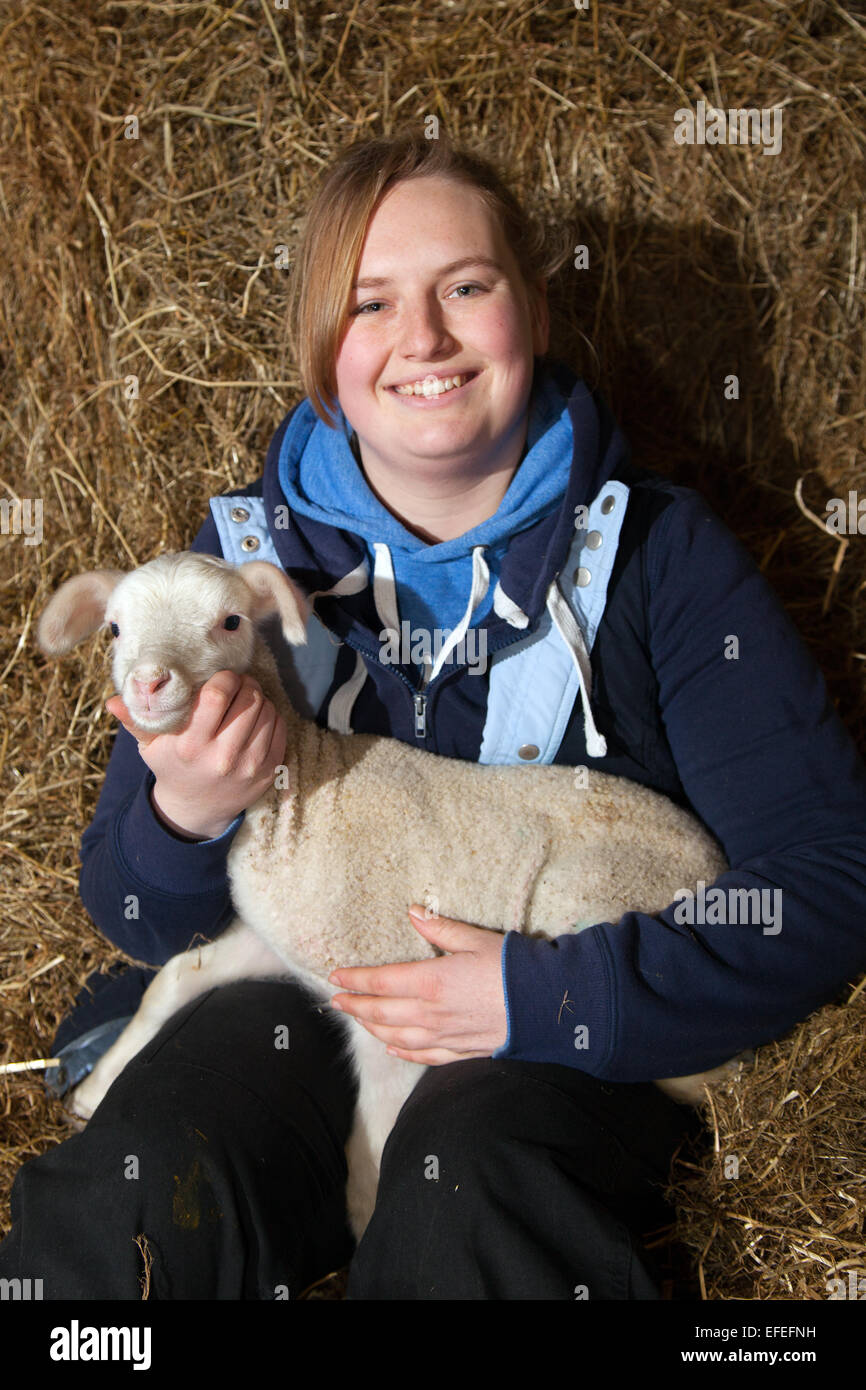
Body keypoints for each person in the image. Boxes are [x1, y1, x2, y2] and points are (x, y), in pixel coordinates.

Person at [2, 130, 865, 1301]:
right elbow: (137, 909)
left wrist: (553, 994)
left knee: (467, 1189)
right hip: (296, 1007)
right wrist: (186, 812)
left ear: (535, 316)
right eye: (369, 304)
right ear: (321, 349)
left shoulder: (657, 558)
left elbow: (824, 876)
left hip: (549, 1037)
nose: (423, 339)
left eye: (465, 286)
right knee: (146, 1184)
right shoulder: (234, 579)